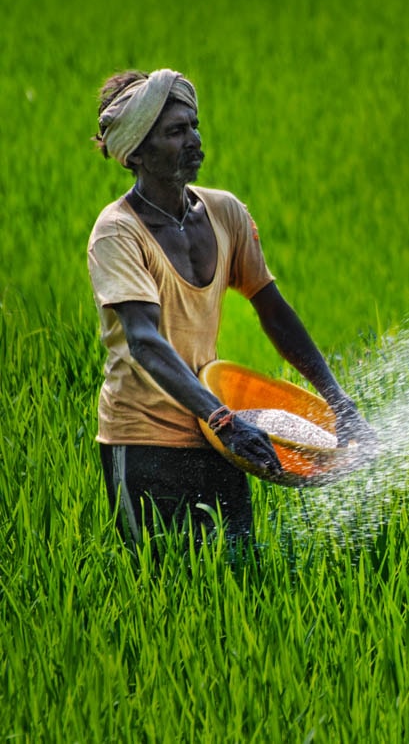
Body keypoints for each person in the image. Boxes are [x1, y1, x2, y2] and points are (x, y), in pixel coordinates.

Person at [88, 68, 372, 554]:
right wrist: (222, 417)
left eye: (194, 126)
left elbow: (274, 311)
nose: (195, 140)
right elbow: (144, 342)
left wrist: (338, 402)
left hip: (218, 438)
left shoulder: (224, 213)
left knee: (235, 581)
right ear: (136, 152)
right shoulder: (117, 234)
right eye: (176, 132)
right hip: (145, 442)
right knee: (162, 593)